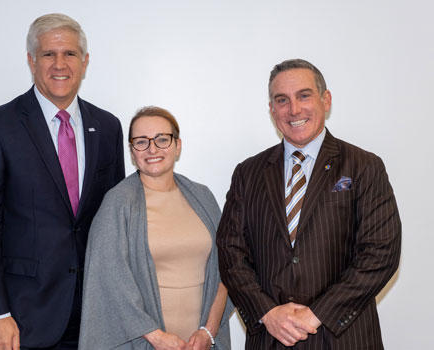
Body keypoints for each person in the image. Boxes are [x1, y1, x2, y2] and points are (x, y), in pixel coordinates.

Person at [0, 13, 125, 350]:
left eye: (69, 54)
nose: (59, 64)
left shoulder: (108, 127)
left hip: (96, 315)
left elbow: (115, 222)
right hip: (25, 319)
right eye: (49, 54)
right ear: (31, 61)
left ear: (85, 62)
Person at [216, 59, 401, 349]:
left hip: (344, 336)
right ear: (271, 109)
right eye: (282, 100)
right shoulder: (248, 172)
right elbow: (230, 253)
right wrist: (267, 312)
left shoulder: (364, 166)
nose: (294, 109)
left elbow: (381, 253)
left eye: (304, 96)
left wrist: (318, 314)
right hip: (271, 337)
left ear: (325, 100)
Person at [78, 106, 233, 350]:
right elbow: (108, 281)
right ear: (131, 151)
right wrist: (157, 337)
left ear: (177, 145)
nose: (152, 149)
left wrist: (209, 333)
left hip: (202, 344)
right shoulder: (117, 203)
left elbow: (227, 269)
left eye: (162, 139)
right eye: (141, 142)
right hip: (144, 343)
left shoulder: (203, 197)